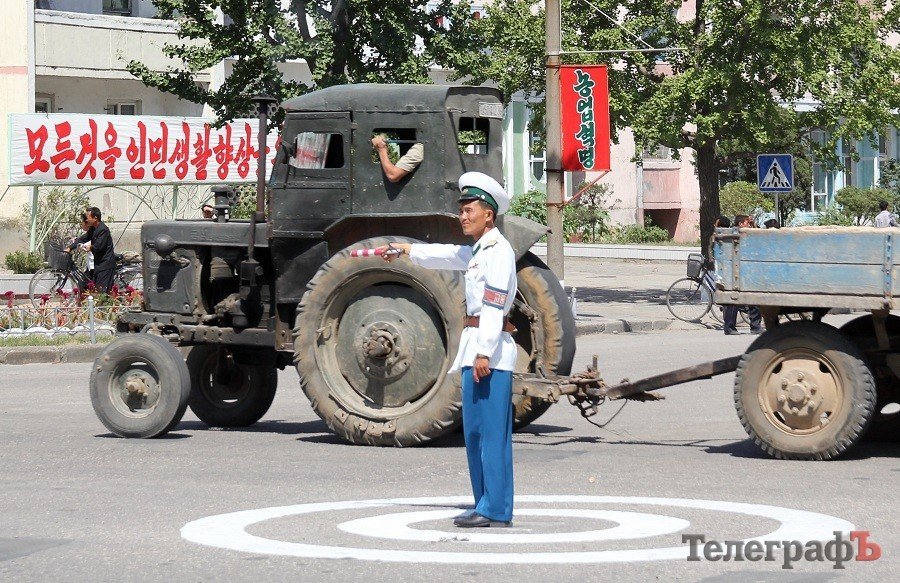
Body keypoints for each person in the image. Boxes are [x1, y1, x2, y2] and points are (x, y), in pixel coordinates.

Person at [374, 172, 516, 528]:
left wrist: (484, 352)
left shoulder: (499, 252)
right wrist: (407, 250)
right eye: (462, 210)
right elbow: (447, 255)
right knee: (475, 434)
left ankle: (495, 508)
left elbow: (495, 307)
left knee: (490, 434)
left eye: (470, 210)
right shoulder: (479, 251)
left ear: (489, 214)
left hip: (491, 353)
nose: (463, 216)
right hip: (475, 349)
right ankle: (484, 502)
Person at [723, 213, 762, 335]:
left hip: (746, 272)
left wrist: (753, 224)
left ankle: (755, 327)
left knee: (753, 300)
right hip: (736, 273)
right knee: (733, 301)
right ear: (740, 224)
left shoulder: (745, 234)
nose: (749, 225)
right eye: (747, 223)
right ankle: (730, 327)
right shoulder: (735, 234)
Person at [68, 207, 115, 292]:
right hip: (98, 264)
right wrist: (70, 247)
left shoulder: (103, 229)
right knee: (94, 289)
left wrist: (90, 247)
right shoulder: (94, 229)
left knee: (102, 292)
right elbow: (83, 238)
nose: (86, 219)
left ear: (95, 218)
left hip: (105, 264)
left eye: (88, 217)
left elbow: (98, 246)